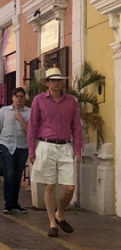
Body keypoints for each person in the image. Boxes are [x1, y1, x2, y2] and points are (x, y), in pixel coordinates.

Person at [27, 68, 82, 238]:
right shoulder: (39, 100)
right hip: (46, 145)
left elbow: (76, 126)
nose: (56, 83)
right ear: (47, 82)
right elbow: (33, 125)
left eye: (59, 80)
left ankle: (60, 213)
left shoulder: (71, 101)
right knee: (49, 185)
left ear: (62, 82)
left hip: (65, 146)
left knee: (69, 188)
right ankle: (52, 223)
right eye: (53, 80)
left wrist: (77, 148)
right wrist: (31, 149)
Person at [0, 87, 30, 214]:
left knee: (17, 175)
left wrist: (20, 119)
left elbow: (30, 131)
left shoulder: (29, 112)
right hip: (6, 145)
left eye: (21, 96)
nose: (19, 99)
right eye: (17, 96)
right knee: (9, 174)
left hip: (22, 146)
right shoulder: (3, 111)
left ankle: (14, 202)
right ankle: (8, 203)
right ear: (13, 98)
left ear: (24, 98)